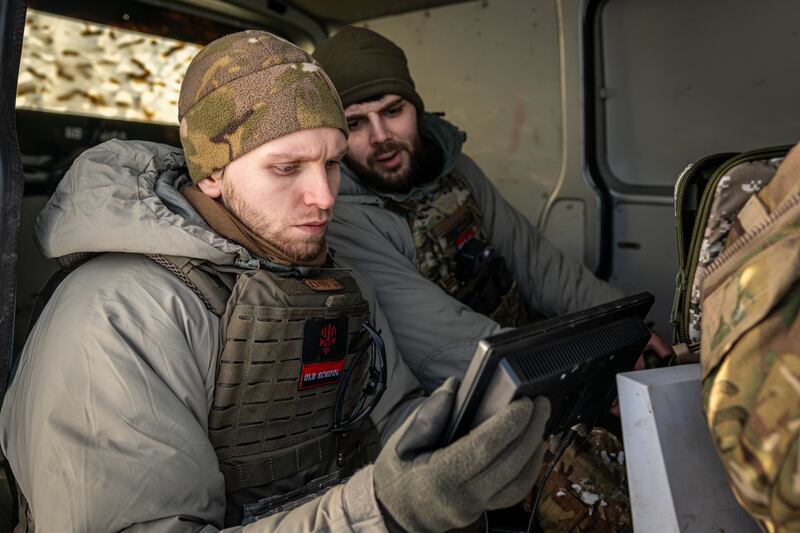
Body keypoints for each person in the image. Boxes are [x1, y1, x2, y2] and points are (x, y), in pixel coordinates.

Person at [0, 31, 551, 532]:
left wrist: (450, 452)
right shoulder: (117, 316)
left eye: (333, 164)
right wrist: (380, 511)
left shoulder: (331, 276)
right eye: (287, 168)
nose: (326, 197)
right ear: (212, 174)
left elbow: (388, 417)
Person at [313, 26, 671, 531]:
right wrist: (588, 375)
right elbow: (443, 343)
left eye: (393, 111)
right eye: (355, 123)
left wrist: (634, 331)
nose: (381, 137)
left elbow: (539, 265)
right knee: (600, 496)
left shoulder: (456, 171)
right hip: (463, 396)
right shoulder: (346, 219)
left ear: (416, 107)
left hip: (527, 362)